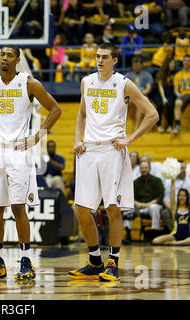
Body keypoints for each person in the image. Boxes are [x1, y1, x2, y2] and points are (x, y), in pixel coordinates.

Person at [0, 45, 62, 280]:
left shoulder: (29, 83)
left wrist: (37, 136)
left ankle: (26, 261)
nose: (4, 58)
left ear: (18, 60)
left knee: (18, 207)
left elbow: (55, 109)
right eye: (2, 55)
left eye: (9, 55)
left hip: (19, 151)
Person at [68, 42, 158, 282]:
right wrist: (77, 137)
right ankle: (95, 260)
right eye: (97, 56)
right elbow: (82, 113)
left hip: (112, 150)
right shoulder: (86, 81)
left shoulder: (124, 84)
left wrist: (129, 139)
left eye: (105, 57)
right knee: (81, 208)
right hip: (88, 150)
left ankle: (113, 263)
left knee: (111, 208)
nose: (99, 61)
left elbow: (152, 114)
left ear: (115, 60)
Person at [132, 161, 165, 238]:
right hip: (139, 207)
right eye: (142, 168)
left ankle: (155, 232)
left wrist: (149, 204)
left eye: (146, 168)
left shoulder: (157, 181)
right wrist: (136, 203)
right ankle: (127, 234)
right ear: (140, 170)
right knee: (127, 209)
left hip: (152, 206)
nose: (144, 170)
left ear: (149, 169)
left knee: (154, 208)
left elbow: (161, 196)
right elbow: (131, 197)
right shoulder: (136, 182)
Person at [125, 56, 154, 131]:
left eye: (137, 66)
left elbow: (148, 89)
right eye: (134, 66)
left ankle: (136, 127)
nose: (135, 67)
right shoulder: (128, 75)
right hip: (130, 96)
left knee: (140, 104)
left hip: (142, 96)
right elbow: (124, 88)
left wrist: (140, 94)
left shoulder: (147, 75)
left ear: (141, 65)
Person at [161, 161, 190, 232]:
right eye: (182, 168)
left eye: (185, 168)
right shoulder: (169, 181)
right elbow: (166, 199)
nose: (184, 170)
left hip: (187, 206)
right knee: (165, 213)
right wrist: (172, 209)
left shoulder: (189, 180)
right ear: (177, 170)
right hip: (173, 206)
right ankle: (176, 231)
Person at [154, 58, 176, 133]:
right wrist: (163, 98)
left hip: (170, 93)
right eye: (172, 63)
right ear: (167, 64)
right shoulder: (161, 73)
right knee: (160, 105)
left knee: (170, 105)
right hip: (160, 93)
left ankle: (170, 126)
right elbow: (160, 87)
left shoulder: (174, 73)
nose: (174, 65)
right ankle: (159, 126)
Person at [173, 55, 190, 134]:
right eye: (185, 60)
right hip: (183, 95)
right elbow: (176, 90)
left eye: (188, 61)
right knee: (177, 102)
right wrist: (178, 94)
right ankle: (177, 126)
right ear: (183, 62)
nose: (186, 62)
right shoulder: (178, 75)